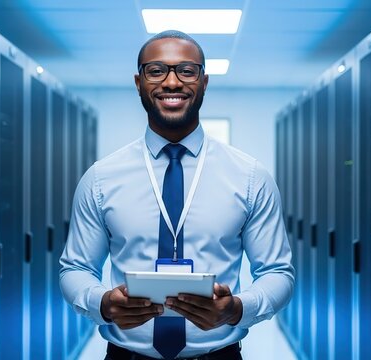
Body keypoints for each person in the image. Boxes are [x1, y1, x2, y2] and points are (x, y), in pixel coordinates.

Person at [59, 30, 294, 360]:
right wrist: (104, 303)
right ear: (139, 82)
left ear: (204, 81)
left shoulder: (250, 177)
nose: (172, 82)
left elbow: (277, 273)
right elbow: (75, 269)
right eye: (156, 70)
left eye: (186, 70)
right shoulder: (100, 178)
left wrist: (237, 309)